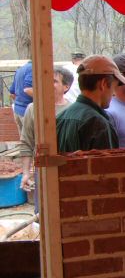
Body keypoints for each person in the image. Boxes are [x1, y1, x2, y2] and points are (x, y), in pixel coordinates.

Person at [19, 67, 73, 208]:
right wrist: (26, 173)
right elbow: (26, 143)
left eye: (54, 81)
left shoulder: (73, 111)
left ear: (66, 87)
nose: (48, 84)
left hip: (68, 170)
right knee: (42, 212)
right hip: (42, 170)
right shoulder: (33, 108)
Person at [56, 55, 125, 153]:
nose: (114, 93)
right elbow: (107, 166)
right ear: (103, 84)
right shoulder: (98, 124)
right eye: (113, 87)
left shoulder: (60, 118)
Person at [9, 59, 33, 133]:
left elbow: (12, 92)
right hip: (27, 113)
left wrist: (19, 100)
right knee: (32, 142)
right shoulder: (33, 68)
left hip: (18, 111)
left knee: (24, 142)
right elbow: (28, 89)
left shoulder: (19, 70)